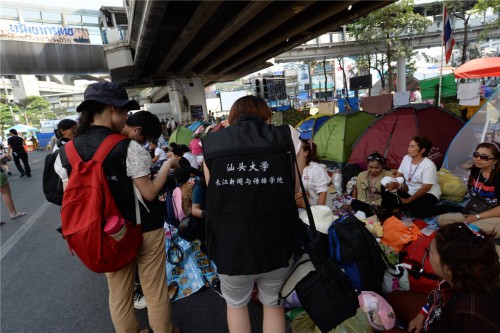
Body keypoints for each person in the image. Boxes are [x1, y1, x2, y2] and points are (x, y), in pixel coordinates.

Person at [53, 82, 180, 333]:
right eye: (124, 112)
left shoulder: (66, 152)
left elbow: (73, 198)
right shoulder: (127, 147)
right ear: (112, 109)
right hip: (145, 227)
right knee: (154, 291)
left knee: (119, 295)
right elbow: (150, 192)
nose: (125, 118)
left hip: (106, 234)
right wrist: (167, 166)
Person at [202, 95, 303, 333]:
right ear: (266, 115)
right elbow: (294, 189)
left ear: (231, 118)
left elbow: (214, 194)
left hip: (231, 245)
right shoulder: (288, 136)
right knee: (273, 304)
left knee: (236, 305)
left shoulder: (212, 143)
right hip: (277, 242)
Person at [404, 223, 500, 333]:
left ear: (448, 268)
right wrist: (422, 314)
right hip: (434, 316)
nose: (428, 254)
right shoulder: (459, 276)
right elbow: (436, 297)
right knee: (394, 297)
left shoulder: (468, 316)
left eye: (430, 252)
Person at [438, 142, 500, 249]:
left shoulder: (498, 177)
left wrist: (477, 217)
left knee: (468, 231)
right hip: (479, 210)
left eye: (484, 157)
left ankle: (492, 250)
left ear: (495, 160)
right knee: (442, 220)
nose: (478, 159)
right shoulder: (477, 170)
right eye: (476, 154)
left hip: (495, 214)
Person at [386, 136, 441, 218]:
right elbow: (399, 175)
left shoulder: (429, 165)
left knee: (418, 213)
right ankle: (410, 205)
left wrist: (408, 200)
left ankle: (448, 208)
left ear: (422, 150)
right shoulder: (406, 158)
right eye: (409, 146)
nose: (409, 149)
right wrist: (394, 185)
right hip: (410, 189)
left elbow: (426, 188)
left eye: (412, 147)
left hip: (428, 193)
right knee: (388, 193)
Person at [351, 151, 397, 216]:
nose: (373, 170)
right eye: (370, 167)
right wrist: (353, 199)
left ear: (382, 166)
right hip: (365, 204)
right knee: (355, 203)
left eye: (376, 168)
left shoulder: (388, 175)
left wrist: (394, 183)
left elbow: (397, 184)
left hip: (380, 207)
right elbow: (355, 189)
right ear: (367, 166)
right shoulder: (361, 175)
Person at [296, 139, 330, 206]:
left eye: (297, 150)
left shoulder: (317, 169)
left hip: (319, 209)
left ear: (305, 153)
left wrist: (319, 213)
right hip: (305, 207)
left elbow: (323, 193)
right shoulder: (296, 167)